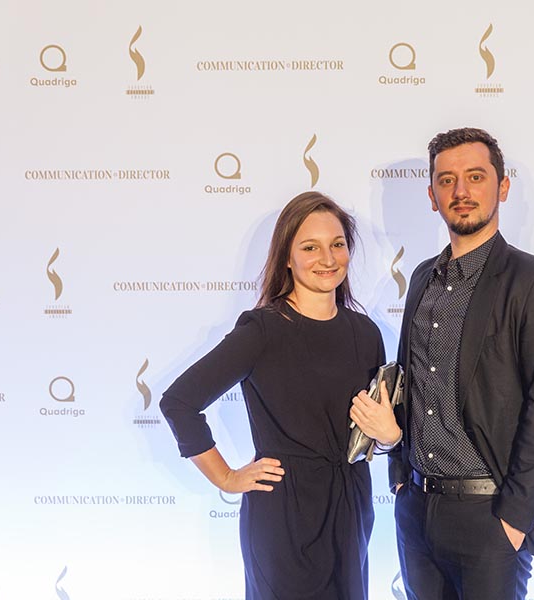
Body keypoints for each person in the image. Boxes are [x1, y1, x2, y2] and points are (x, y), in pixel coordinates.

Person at [160, 191, 401, 600]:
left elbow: (370, 433)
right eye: (310, 247)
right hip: (283, 513)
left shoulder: (365, 333)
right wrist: (227, 477)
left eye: (337, 244)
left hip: (351, 505)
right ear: (287, 257)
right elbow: (179, 403)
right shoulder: (262, 330)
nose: (327, 258)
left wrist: (389, 435)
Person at [388, 128, 534, 600]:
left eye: (475, 177)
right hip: (416, 510)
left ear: (503, 186)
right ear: (432, 196)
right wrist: (399, 480)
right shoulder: (421, 278)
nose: (461, 191)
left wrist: (514, 521)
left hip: (491, 515)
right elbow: (408, 384)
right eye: (447, 180)